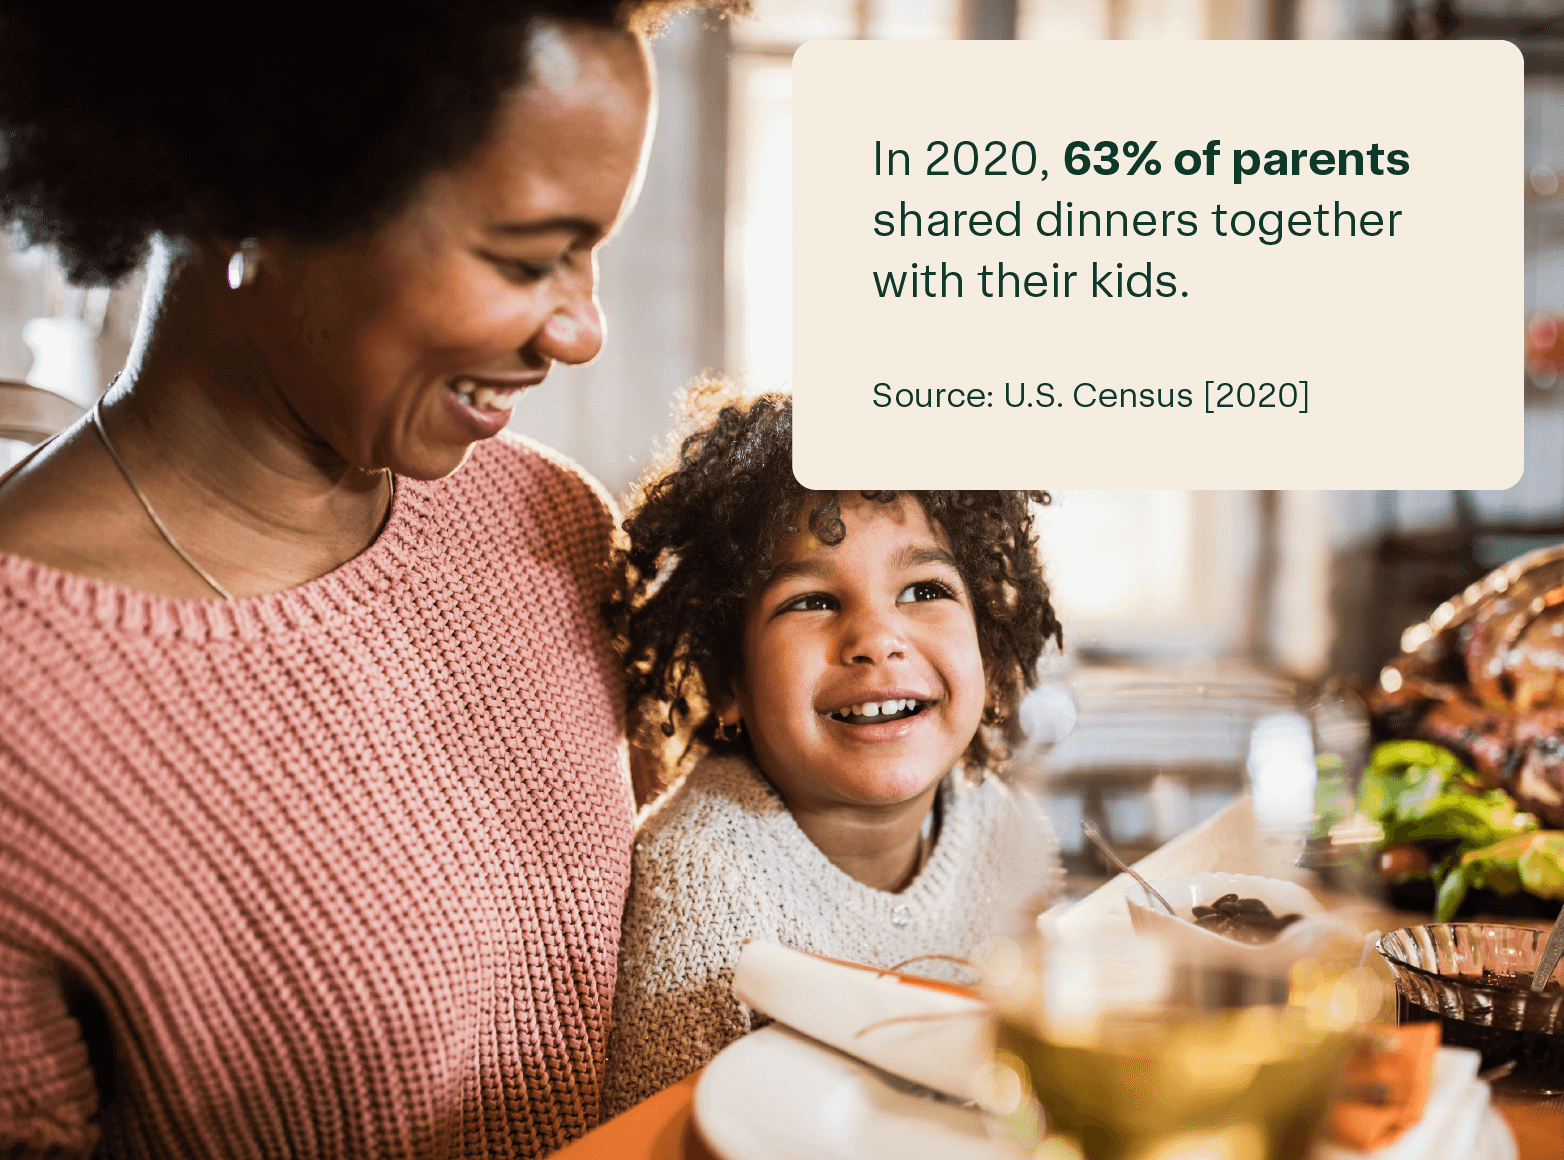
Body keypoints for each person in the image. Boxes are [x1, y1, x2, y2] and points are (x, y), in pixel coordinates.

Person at [0, 4, 740, 1156]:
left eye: (594, 250)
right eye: (526, 256)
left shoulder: (544, 520)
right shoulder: (24, 702)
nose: (583, 327)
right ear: (258, 189)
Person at [598, 387, 1066, 1116]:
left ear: (991, 650)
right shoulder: (699, 885)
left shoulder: (1002, 823)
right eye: (812, 601)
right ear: (729, 682)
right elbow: (662, 1137)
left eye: (924, 588)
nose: (877, 638)